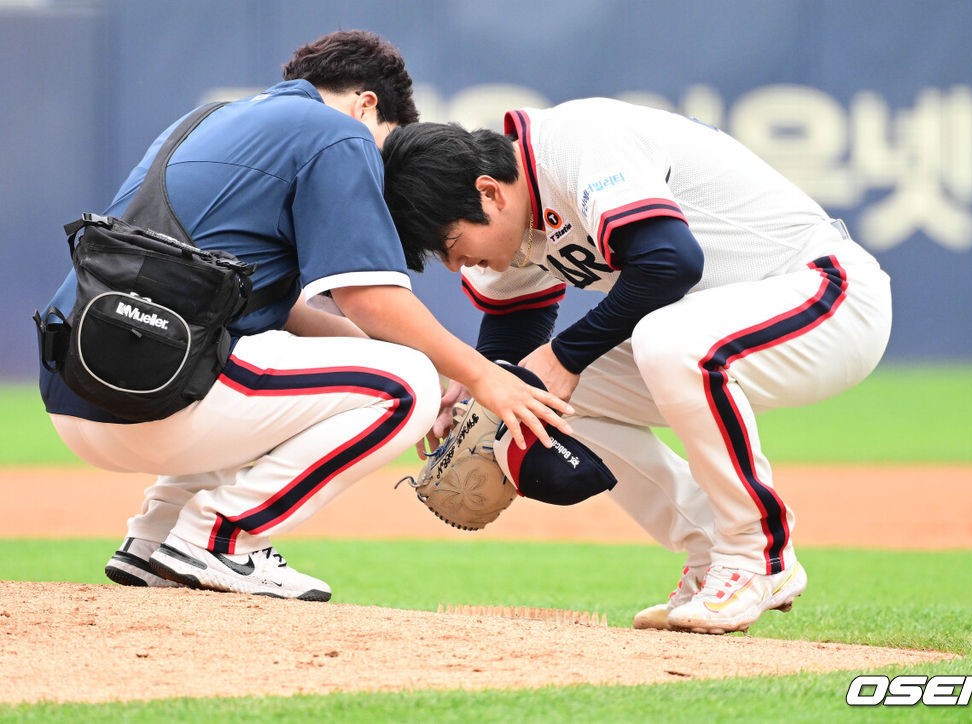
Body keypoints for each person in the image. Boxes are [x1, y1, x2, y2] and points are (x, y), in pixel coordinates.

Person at [36, 30, 570, 601]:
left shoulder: (206, 118)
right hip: (163, 387)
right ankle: (219, 536)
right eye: (387, 150)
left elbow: (283, 310)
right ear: (368, 105)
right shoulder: (339, 132)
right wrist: (480, 376)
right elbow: (370, 301)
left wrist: (423, 361)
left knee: (338, 364)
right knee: (406, 388)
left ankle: (155, 537)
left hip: (81, 381)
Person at [380, 98, 892, 633]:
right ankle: (711, 554)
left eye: (453, 244)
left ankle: (757, 557)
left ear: (489, 192)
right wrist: (478, 390)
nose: (456, 264)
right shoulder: (514, 224)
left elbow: (671, 262)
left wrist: (564, 355)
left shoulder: (576, 143)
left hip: (828, 295)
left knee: (663, 341)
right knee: (541, 399)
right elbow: (511, 340)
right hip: (727, 325)